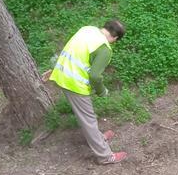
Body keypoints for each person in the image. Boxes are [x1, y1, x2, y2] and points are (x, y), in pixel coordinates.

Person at [44, 20, 128, 164]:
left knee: (88, 116)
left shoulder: (87, 29)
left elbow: (72, 51)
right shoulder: (105, 49)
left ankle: (99, 138)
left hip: (62, 74)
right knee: (88, 119)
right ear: (115, 38)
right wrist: (102, 91)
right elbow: (95, 75)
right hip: (74, 84)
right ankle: (105, 156)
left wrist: (55, 69)